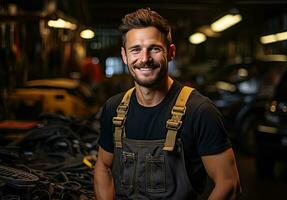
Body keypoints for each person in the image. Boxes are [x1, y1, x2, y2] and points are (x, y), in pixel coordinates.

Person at [94, 8, 242, 200]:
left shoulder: (199, 111)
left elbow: (229, 184)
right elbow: (103, 167)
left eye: (154, 49)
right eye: (135, 49)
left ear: (171, 52)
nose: (144, 59)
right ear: (124, 55)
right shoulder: (114, 109)